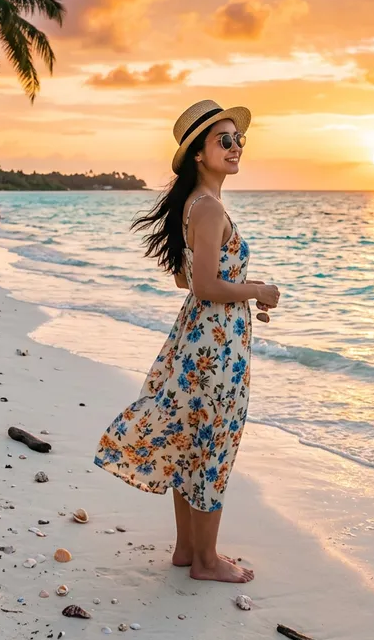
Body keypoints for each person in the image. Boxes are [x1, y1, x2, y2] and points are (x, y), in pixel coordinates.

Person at [95, 99, 280, 583]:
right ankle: (206, 560)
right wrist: (256, 290)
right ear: (199, 153)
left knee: (191, 442)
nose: (236, 146)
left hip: (198, 340)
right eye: (224, 140)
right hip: (215, 349)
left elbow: (187, 280)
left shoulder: (196, 206)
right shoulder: (210, 208)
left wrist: (238, 290)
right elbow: (204, 287)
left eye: (239, 138)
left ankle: (186, 551)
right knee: (213, 445)